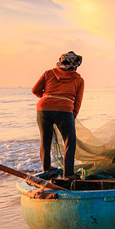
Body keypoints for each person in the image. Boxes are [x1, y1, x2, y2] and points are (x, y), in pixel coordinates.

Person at [32, 51, 85, 180]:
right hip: (65, 109)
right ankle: (68, 174)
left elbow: (35, 90)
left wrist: (47, 98)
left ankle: (46, 168)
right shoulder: (78, 79)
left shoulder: (49, 73)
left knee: (45, 140)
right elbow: (77, 102)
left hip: (43, 108)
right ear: (76, 65)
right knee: (69, 141)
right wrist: (73, 115)